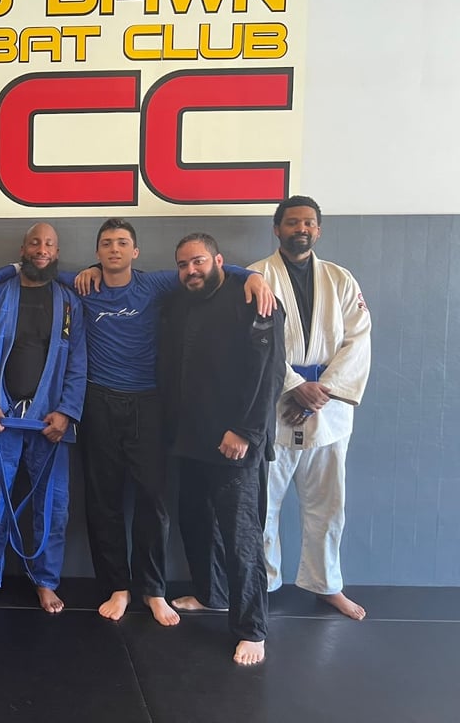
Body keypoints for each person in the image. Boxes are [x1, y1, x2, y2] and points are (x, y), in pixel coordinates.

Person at [0, 219, 274, 625]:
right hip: (97, 402)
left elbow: (201, 268)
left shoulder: (153, 284)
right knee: (102, 502)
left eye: (122, 243)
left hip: (148, 403)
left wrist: (249, 275)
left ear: (135, 251)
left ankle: (153, 589)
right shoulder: (81, 284)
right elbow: (36, 269)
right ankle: (116, 586)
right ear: (96, 253)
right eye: (107, 243)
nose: (114, 249)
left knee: (153, 502)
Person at [158, 233, 285, 666]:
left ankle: (252, 629)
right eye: (182, 264)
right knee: (196, 522)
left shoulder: (253, 298)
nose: (190, 270)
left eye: (198, 261)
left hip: (236, 442)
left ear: (219, 260)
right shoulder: (179, 301)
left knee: (240, 535)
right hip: (190, 438)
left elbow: (269, 371)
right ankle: (210, 593)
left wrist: (246, 431)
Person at [249, 196, 371, 619]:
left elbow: (359, 339)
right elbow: (251, 341)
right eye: (292, 222)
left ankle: (326, 585)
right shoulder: (257, 276)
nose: (301, 229)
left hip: (329, 409)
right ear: (277, 228)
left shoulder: (340, 279)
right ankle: (262, 581)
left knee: (328, 505)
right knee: (263, 505)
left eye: (308, 223)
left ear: (318, 230)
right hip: (275, 405)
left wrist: (322, 391)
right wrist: (294, 386)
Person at [0, 223, 87, 614]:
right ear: (23, 248)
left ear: (57, 252)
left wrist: (67, 412)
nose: (42, 249)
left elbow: (78, 362)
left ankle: (45, 581)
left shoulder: (69, 301)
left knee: (53, 506)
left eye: (49, 244)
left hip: (49, 421)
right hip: (0, 417)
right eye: (35, 242)